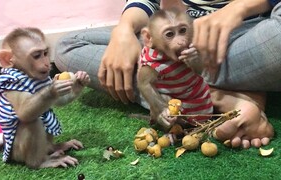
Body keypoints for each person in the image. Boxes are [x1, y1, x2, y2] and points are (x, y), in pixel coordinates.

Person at [55, 0, 281, 149]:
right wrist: (123, 29)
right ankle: (220, 95)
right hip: (170, 45)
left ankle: (203, 89)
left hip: (246, 35)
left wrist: (237, 8)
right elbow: (148, 3)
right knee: (69, 46)